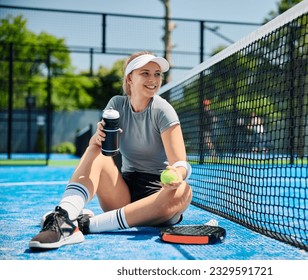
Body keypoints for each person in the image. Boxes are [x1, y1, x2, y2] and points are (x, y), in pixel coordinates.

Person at [29, 51, 193, 250]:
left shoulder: (163, 110)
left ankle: (84, 224)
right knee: (95, 149)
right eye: (145, 73)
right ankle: (64, 217)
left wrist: (177, 173)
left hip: (157, 196)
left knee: (183, 191)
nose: (153, 79)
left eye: (157, 74)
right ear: (130, 78)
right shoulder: (116, 105)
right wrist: (97, 138)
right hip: (122, 193)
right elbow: (98, 148)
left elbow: (181, 164)